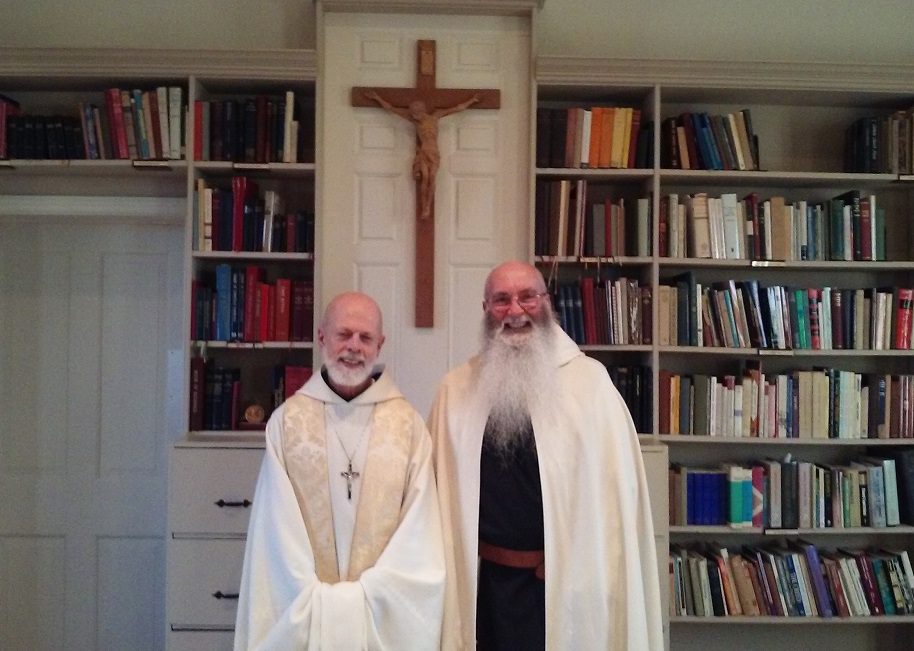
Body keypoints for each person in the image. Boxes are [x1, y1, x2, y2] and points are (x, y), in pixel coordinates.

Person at [427, 261, 664, 650]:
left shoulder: (591, 386)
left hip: (563, 588)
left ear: (547, 303)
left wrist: (580, 561)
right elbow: (436, 501)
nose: (515, 311)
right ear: (485, 308)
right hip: (482, 586)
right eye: (501, 300)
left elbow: (614, 504)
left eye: (527, 297)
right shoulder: (456, 391)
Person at [234, 291, 445, 650]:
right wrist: (317, 602)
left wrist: (370, 598)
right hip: (303, 611)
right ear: (322, 338)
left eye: (365, 338)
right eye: (343, 334)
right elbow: (275, 531)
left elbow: (420, 530)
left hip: (383, 614)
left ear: (380, 345)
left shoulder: (407, 426)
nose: (354, 347)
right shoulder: (288, 422)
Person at [365, 90, 480, 221]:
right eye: (412, 113)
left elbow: (457, 108)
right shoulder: (415, 122)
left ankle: (428, 206)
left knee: (432, 176)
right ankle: (425, 207)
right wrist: (377, 98)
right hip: (424, 151)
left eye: (416, 112)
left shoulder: (435, 117)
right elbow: (391, 109)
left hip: (434, 152)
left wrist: (472, 101)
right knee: (425, 177)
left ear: (422, 109)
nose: (414, 115)